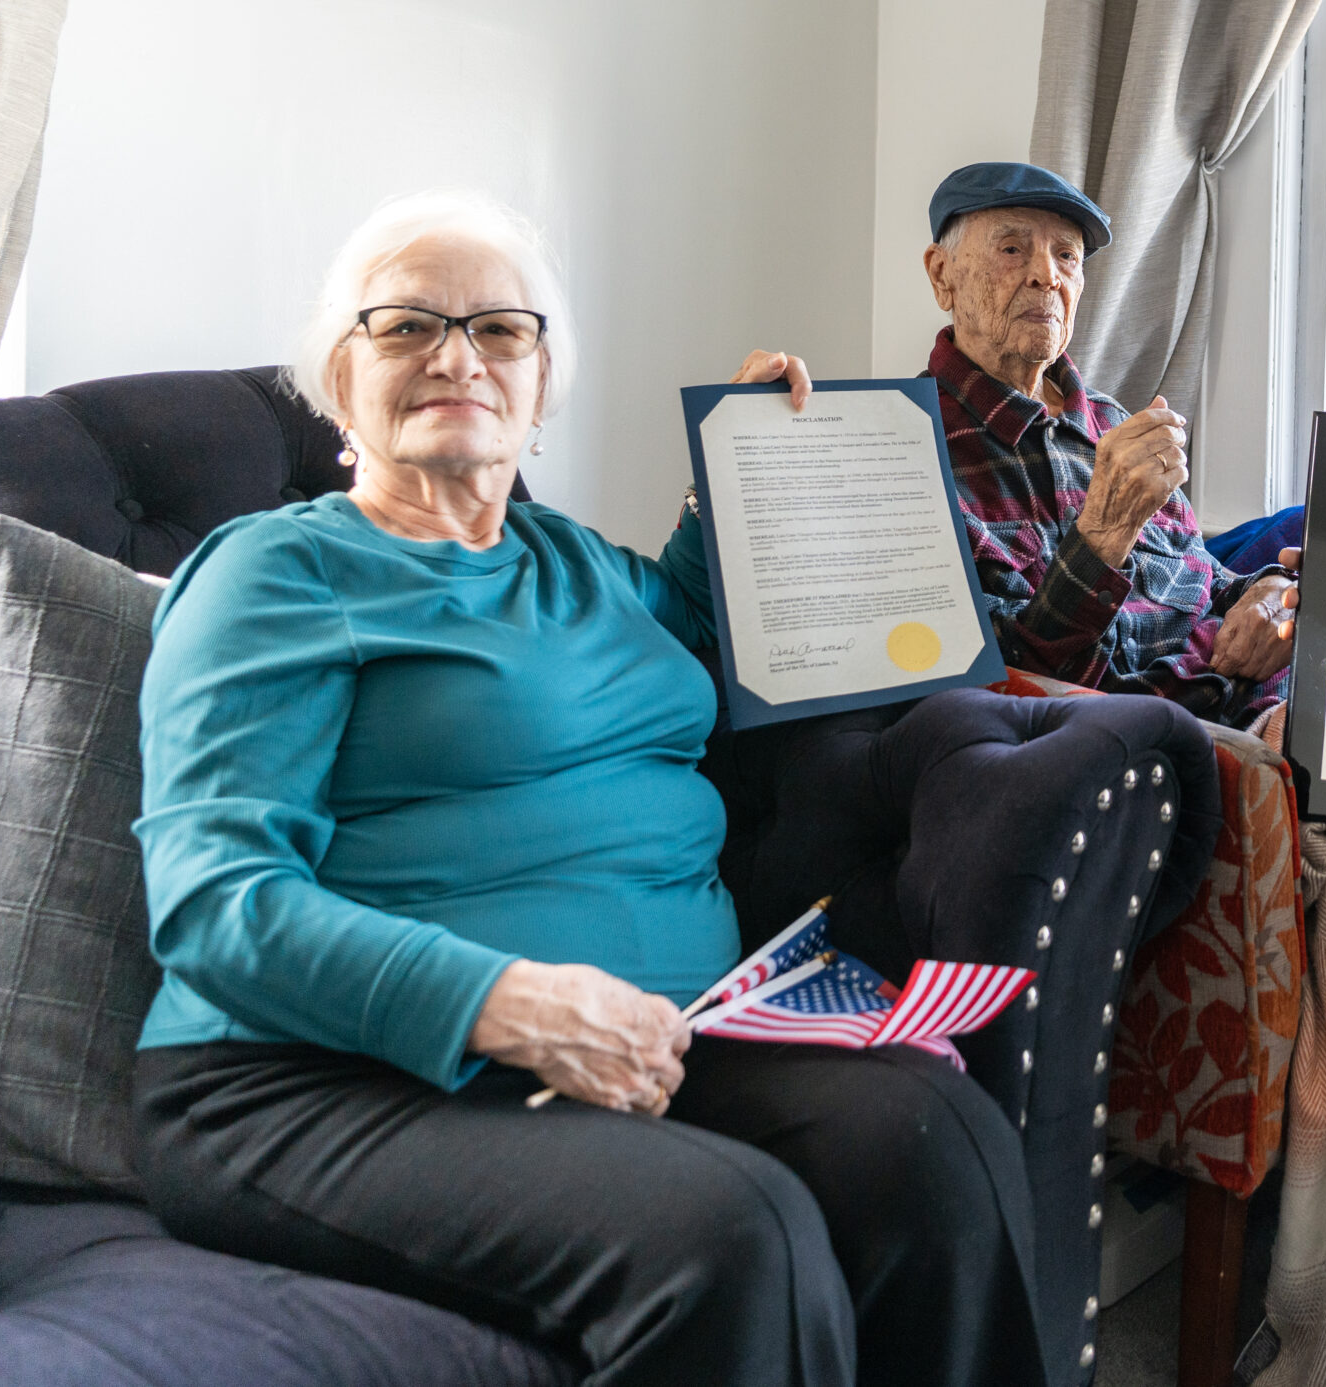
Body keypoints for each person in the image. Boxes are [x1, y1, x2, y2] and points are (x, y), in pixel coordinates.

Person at [128, 190, 1044, 1387]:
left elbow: (713, 633)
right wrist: (510, 1003)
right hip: (310, 1079)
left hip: (664, 1030)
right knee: (737, 1233)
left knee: (942, 1145)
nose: (456, 356)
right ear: (339, 380)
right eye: (407, 326)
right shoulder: (277, 573)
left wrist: (749, 466)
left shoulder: (578, 564)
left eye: (499, 330)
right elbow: (211, 902)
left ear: (543, 387)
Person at [916, 161, 1298, 733]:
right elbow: (1007, 685)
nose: (1047, 276)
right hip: (1160, 743)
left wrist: (1269, 593)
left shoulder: (1113, 422)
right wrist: (1103, 534)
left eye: (1067, 256)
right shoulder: (910, 449)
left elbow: (1206, 581)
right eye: (1013, 250)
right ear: (942, 274)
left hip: (1266, 700)